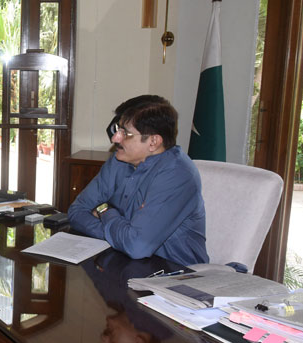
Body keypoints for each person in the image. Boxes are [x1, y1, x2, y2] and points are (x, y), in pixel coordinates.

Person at [67, 95, 209, 266]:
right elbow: (76, 212)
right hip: (125, 262)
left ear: (153, 142)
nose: (115, 138)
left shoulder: (177, 175)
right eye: (117, 129)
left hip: (175, 276)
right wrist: (121, 235)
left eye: (125, 133)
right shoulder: (118, 161)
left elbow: (137, 246)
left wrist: (105, 211)